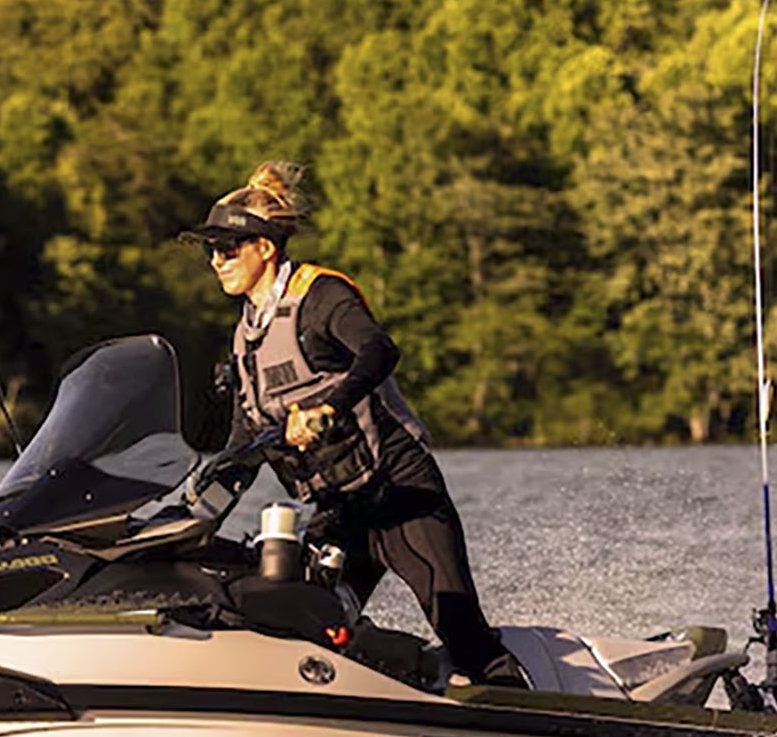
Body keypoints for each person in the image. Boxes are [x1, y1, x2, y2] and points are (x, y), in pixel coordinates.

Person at [183, 161, 528, 688]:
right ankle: (386, 695)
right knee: (292, 615)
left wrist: (331, 407)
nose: (216, 260)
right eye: (210, 249)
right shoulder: (245, 337)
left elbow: (379, 350)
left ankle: (515, 705)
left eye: (228, 247)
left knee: (461, 630)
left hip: (400, 492)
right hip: (342, 510)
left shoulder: (320, 297)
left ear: (266, 248)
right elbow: (244, 444)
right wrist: (188, 516)